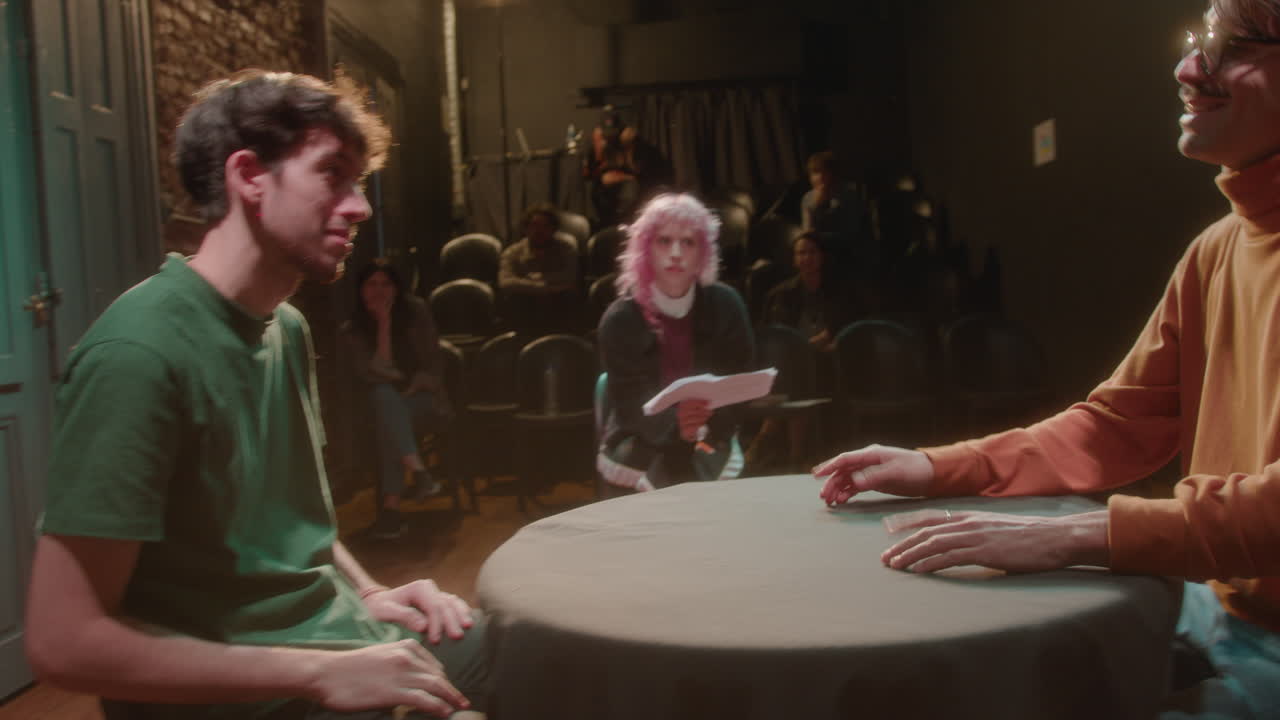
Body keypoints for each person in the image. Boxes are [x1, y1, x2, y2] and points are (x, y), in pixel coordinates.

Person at [814, 4, 1280, 717]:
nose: (1188, 70)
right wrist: (941, 468)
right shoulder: (1218, 249)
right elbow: (1116, 424)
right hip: (1214, 607)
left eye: (1227, 48)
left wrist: (1075, 536)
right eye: (1196, 45)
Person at [25, 70, 488, 719]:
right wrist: (318, 673)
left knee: (527, 653)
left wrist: (368, 593)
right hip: (241, 693)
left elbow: (291, 520)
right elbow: (61, 642)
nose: (360, 206)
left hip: (327, 645)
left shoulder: (288, 327)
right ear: (249, 176)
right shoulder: (137, 355)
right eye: (333, 175)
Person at [597, 193, 754, 492]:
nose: (676, 253)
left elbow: (739, 385)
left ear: (703, 252)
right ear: (645, 249)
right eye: (664, 241)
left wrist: (702, 427)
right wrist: (675, 427)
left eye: (689, 242)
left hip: (710, 430)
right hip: (641, 434)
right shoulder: (619, 319)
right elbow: (630, 403)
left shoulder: (727, 305)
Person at [342, 260, 452, 540]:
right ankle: (418, 473)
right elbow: (376, 370)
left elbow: (435, 361)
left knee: (387, 415)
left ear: (397, 287)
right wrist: (384, 324)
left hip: (423, 399)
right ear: (361, 289)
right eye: (371, 284)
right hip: (386, 404)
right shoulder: (352, 327)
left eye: (385, 284)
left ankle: (392, 512)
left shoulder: (416, 311)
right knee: (385, 403)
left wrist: (419, 381)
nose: (379, 291)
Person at [746, 231, 856, 472]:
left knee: (797, 378)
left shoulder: (839, 291)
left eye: (812, 252)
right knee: (796, 376)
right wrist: (802, 349)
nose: (806, 258)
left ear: (822, 256)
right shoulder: (780, 294)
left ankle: (766, 439)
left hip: (828, 363)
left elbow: (837, 332)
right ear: (795, 259)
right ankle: (796, 457)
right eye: (801, 253)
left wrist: (811, 346)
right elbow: (777, 338)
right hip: (791, 363)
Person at [583, 106, 674, 228]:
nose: (610, 139)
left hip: (639, 198)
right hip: (608, 203)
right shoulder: (597, 145)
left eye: (615, 134)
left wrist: (628, 150)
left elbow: (646, 177)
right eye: (606, 135)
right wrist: (599, 154)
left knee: (630, 188)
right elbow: (588, 176)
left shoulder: (640, 147)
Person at [498, 202, 579, 334]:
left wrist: (534, 279)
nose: (539, 231)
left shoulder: (566, 249)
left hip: (557, 306)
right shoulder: (512, 252)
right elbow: (506, 282)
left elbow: (569, 276)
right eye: (534, 225)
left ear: (554, 229)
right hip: (526, 308)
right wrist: (546, 288)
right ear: (525, 228)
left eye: (545, 226)